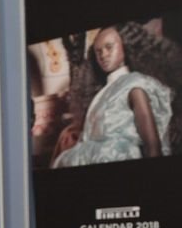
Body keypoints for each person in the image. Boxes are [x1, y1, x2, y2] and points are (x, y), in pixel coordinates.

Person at [52, 25, 173, 167]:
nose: (103, 55)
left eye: (109, 47)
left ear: (125, 46)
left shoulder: (135, 85)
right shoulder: (102, 92)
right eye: (98, 51)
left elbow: (153, 146)